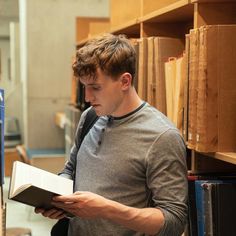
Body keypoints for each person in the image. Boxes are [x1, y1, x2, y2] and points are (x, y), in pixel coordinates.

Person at [35, 33, 188, 236]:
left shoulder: (162, 136)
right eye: (85, 87)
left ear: (125, 81)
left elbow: (174, 221)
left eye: (95, 87)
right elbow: (71, 169)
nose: (88, 97)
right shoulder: (90, 117)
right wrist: (59, 199)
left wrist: (106, 209)